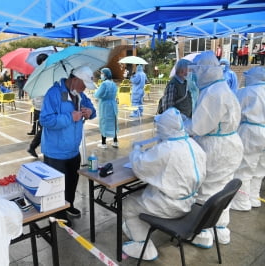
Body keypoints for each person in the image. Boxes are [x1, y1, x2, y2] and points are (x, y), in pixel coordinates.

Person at [122, 108, 206, 260]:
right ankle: (141, 229)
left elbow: (140, 166)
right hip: (189, 203)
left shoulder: (166, 149)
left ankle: (143, 246)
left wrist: (135, 150)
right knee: (144, 195)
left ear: (164, 128)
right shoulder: (193, 145)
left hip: (170, 207)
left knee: (128, 203)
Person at [184, 51, 243, 247]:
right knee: (222, 189)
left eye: (196, 71)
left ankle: (203, 234)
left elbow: (198, 127)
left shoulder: (212, 93)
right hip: (232, 144)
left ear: (204, 71)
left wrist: (181, 124)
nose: (194, 76)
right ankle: (221, 228)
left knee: (207, 190)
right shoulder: (223, 88)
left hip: (216, 148)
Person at [40, 65, 96, 226]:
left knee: (72, 181)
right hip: (55, 150)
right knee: (57, 186)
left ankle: (69, 204)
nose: (85, 88)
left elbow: (92, 108)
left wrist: (89, 112)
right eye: (83, 84)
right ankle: (58, 213)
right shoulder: (54, 93)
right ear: (75, 80)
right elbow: (45, 120)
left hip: (73, 148)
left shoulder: (79, 94)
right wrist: (69, 117)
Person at [230, 66, 265, 211]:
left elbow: (235, 112)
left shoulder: (246, 92)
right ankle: (254, 197)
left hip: (250, 130)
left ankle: (242, 201)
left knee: (244, 166)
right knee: (260, 168)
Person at [27, 53, 48, 158]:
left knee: (45, 130)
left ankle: (34, 147)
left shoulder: (42, 73)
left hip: (40, 106)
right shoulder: (40, 74)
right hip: (41, 107)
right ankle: (32, 147)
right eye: (46, 61)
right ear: (41, 62)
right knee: (45, 129)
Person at [94, 67, 119, 149]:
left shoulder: (104, 84)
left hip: (105, 106)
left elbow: (97, 95)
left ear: (105, 75)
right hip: (112, 104)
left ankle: (103, 143)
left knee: (104, 122)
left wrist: (96, 90)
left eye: (102, 74)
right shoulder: (113, 83)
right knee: (113, 122)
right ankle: (115, 141)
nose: (101, 75)